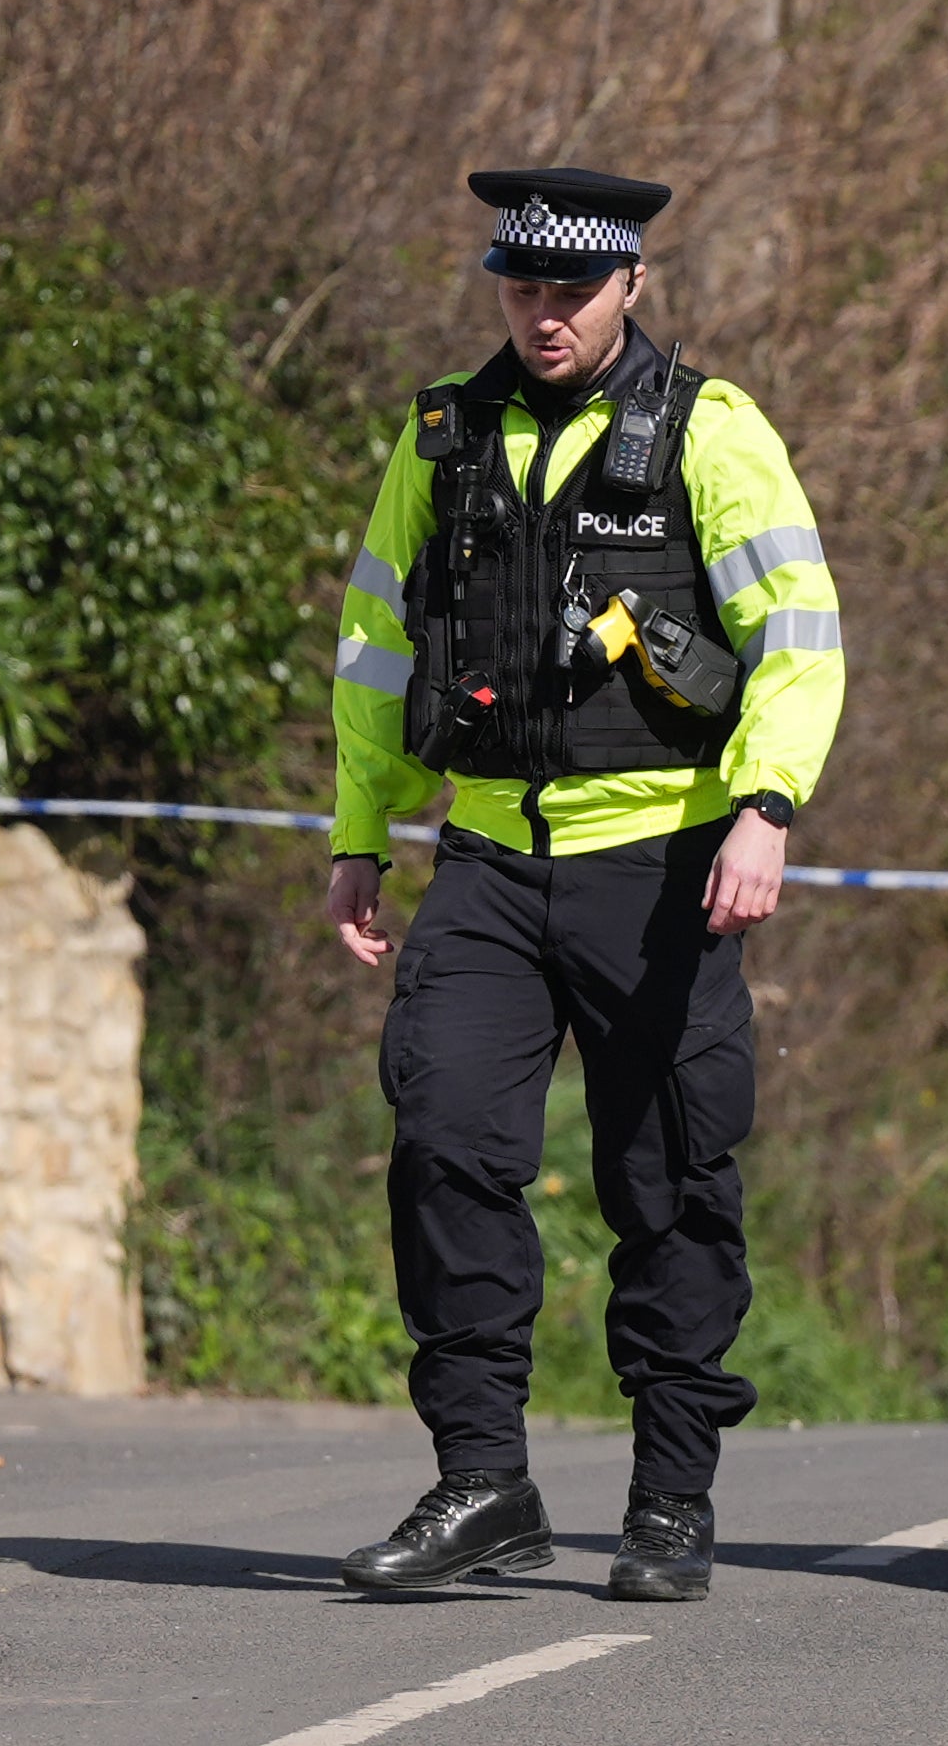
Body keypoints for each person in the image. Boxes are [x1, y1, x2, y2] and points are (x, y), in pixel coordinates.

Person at [318, 164, 845, 1605]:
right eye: (520, 285)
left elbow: (798, 635)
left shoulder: (709, 431)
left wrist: (765, 804)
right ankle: (482, 1479)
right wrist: (358, 829)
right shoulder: (443, 432)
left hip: (659, 860)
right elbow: (376, 640)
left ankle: (669, 1496)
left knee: (666, 1180)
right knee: (443, 1141)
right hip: (485, 854)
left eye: (572, 288)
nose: (543, 314)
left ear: (629, 284)